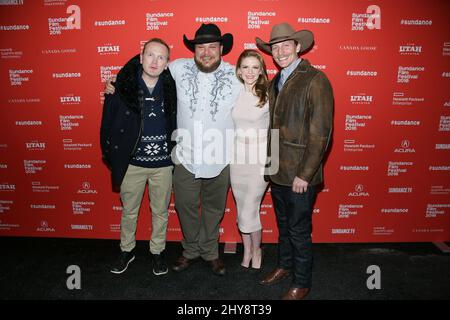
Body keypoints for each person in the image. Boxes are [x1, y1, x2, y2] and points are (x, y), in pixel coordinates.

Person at [104, 24, 241, 276]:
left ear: (222, 49)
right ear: (194, 50)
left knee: (214, 209)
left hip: (220, 157)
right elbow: (146, 64)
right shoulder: (177, 68)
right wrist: (116, 82)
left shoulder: (237, 76)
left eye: (212, 47)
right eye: (201, 47)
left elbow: (258, 95)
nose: (206, 52)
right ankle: (190, 250)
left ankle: (210, 252)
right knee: (185, 206)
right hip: (184, 157)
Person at [255, 23, 334, 299]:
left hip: (300, 175)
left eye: (286, 45)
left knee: (299, 231)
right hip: (278, 169)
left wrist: (305, 174)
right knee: (284, 226)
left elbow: (321, 134)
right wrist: (270, 164)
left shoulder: (315, 79)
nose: (280, 51)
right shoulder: (277, 80)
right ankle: (285, 266)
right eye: (275, 48)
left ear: (298, 47)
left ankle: (302, 282)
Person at [100, 38, 177, 276]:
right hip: (132, 164)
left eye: (161, 57)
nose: (155, 61)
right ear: (141, 57)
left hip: (163, 165)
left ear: (167, 64)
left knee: (161, 212)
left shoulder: (173, 89)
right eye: (150, 55)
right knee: (129, 211)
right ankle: (127, 250)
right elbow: (107, 126)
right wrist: (113, 157)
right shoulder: (121, 87)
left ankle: (158, 251)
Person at [230, 49, 269, 271]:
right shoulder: (234, 93)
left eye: (255, 67)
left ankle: (257, 249)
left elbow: (275, 129)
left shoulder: (268, 93)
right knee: (241, 207)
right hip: (237, 158)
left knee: (249, 209)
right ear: (238, 70)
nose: (250, 72)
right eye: (246, 67)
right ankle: (247, 250)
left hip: (260, 159)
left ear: (261, 70)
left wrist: (272, 164)